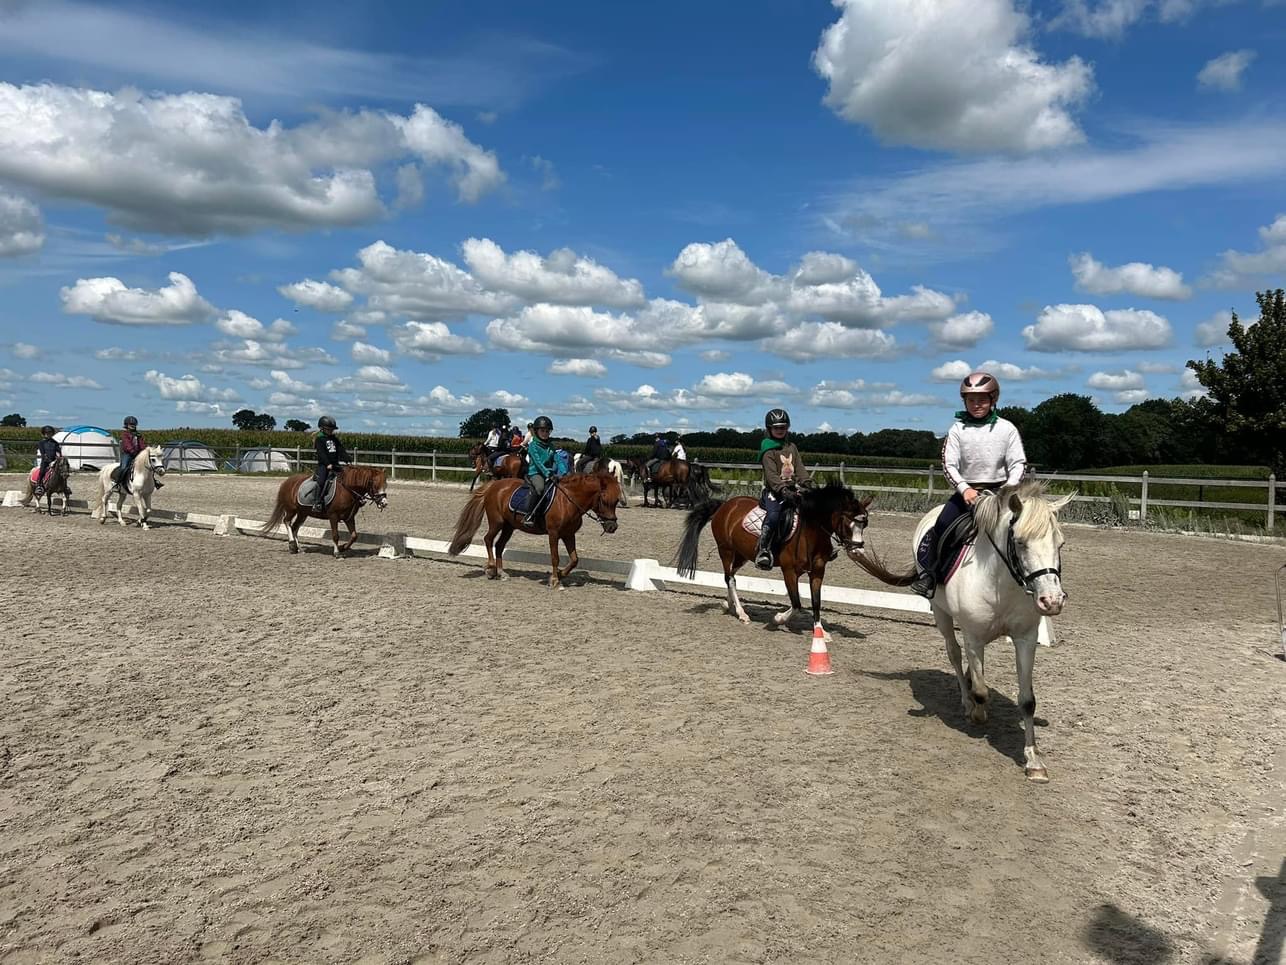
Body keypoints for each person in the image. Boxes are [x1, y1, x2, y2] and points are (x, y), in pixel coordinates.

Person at [909, 371, 1027, 599]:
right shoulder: (957, 430)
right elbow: (949, 465)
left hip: (1001, 492)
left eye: (982, 399)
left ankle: (1033, 577)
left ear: (993, 399)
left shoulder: (1007, 428)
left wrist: (1008, 489)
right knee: (942, 524)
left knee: (1028, 530)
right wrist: (965, 488)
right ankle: (930, 576)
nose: (976, 404)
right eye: (971, 400)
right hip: (968, 492)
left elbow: (1018, 463)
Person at [755, 408, 814, 570]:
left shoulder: (792, 447)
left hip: (794, 489)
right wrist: (782, 490)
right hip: (774, 492)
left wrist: (807, 482)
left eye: (783, 427)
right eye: (776, 428)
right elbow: (771, 475)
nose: (780, 430)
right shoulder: (768, 449)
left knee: (814, 510)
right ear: (769, 429)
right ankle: (764, 549)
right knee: (774, 516)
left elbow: (800, 467)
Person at [524, 415, 558, 524]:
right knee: (540, 488)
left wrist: (566, 472)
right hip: (536, 473)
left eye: (547, 431)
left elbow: (558, 460)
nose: (545, 433)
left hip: (549, 473)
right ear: (536, 431)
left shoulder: (551, 446)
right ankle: (529, 515)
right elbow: (538, 463)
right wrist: (548, 473)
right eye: (542, 431)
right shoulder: (533, 445)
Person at [115, 416, 161, 493]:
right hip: (128, 454)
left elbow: (142, 444)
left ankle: (154, 482)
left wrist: (145, 451)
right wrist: (133, 451)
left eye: (134, 424)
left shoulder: (138, 435)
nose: (133, 426)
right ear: (127, 425)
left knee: (149, 467)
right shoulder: (125, 434)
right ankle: (118, 484)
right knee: (123, 468)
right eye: (131, 424)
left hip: (138, 454)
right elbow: (127, 445)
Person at [312, 415, 349, 510]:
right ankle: (317, 502)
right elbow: (321, 453)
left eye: (332, 429)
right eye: (329, 429)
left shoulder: (334, 439)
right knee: (321, 481)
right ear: (322, 428)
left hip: (335, 464)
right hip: (324, 466)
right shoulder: (319, 439)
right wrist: (327, 463)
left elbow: (340, 449)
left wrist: (347, 458)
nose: (331, 431)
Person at [33, 425, 60, 495]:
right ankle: (39, 485)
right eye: (47, 433)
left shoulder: (55, 443)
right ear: (44, 434)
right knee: (42, 471)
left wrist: (58, 458)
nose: (48, 434)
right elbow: (43, 453)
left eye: (50, 433)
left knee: (63, 472)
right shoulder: (41, 443)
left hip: (55, 461)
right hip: (45, 461)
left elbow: (59, 452)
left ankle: (64, 486)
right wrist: (48, 461)